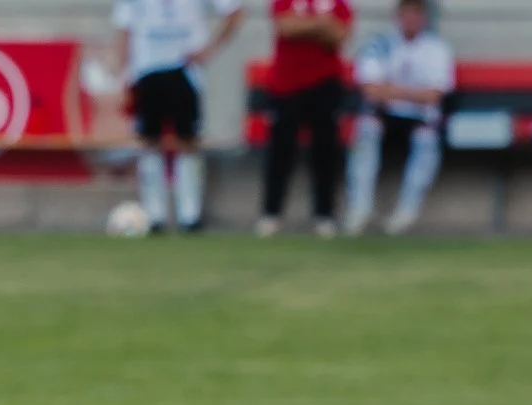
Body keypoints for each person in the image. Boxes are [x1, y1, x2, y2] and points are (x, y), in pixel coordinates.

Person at [113, 0, 245, 233]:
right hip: (146, 68)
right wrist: (123, 74)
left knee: (187, 141)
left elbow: (234, 11)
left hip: (185, 70)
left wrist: (209, 49)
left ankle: (190, 216)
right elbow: (125, 28)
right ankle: (154, 216)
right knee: (150, 141)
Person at [343, 0, 454, 236]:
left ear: (424, 17)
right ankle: (359, 209)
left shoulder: (436, 48)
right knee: (365, 133)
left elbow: (435, 94)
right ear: (397, 15)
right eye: (406, 12)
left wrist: (392, 90)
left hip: (419, 117)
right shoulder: (380, 44)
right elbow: (370, 89)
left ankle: (407, 210)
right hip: (384, 115)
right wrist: (413, 93)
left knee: (426, 139)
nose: (411, 18)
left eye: (416, 13)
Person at [257, 0, 355, 238]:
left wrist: (304, 26)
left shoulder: (338, 3)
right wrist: (322, 24)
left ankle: (324, 215)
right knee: (280, 151)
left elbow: (339, 35)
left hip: (325, 84)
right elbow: (285, 28)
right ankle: (271, 213)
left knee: (325, 152)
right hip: (285, 85)